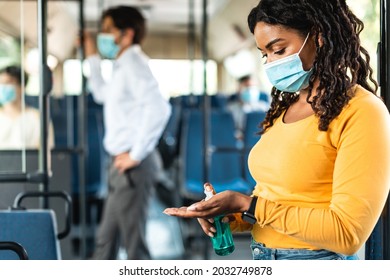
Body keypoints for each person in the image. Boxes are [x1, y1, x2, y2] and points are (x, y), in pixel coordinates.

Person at [164, 0, 390, 260]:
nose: (270, 63)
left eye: (278, 50)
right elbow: (274, 199)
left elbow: (347, 233)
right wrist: (231, 214)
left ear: (319, 37)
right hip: (263, 256)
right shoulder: (285, 110)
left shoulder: (362, 111)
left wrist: (247, 204)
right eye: (264, 54)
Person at [83, 6, 171, 260]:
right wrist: (91, 57)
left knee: (134, 246)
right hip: (121, 164)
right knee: (106, 241)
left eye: (108, 30)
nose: (103, 35)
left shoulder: (133, 63)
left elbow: (158, 108)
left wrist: (136, 154)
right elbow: (102, 94)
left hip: (133, 165)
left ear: (127, 34)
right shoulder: (122, 65)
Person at [0, 65, 54, 150]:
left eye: (7, 83)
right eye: (1, 83)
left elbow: (45, 152)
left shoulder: (38, 118)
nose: (2, 87)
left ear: (22, 87)